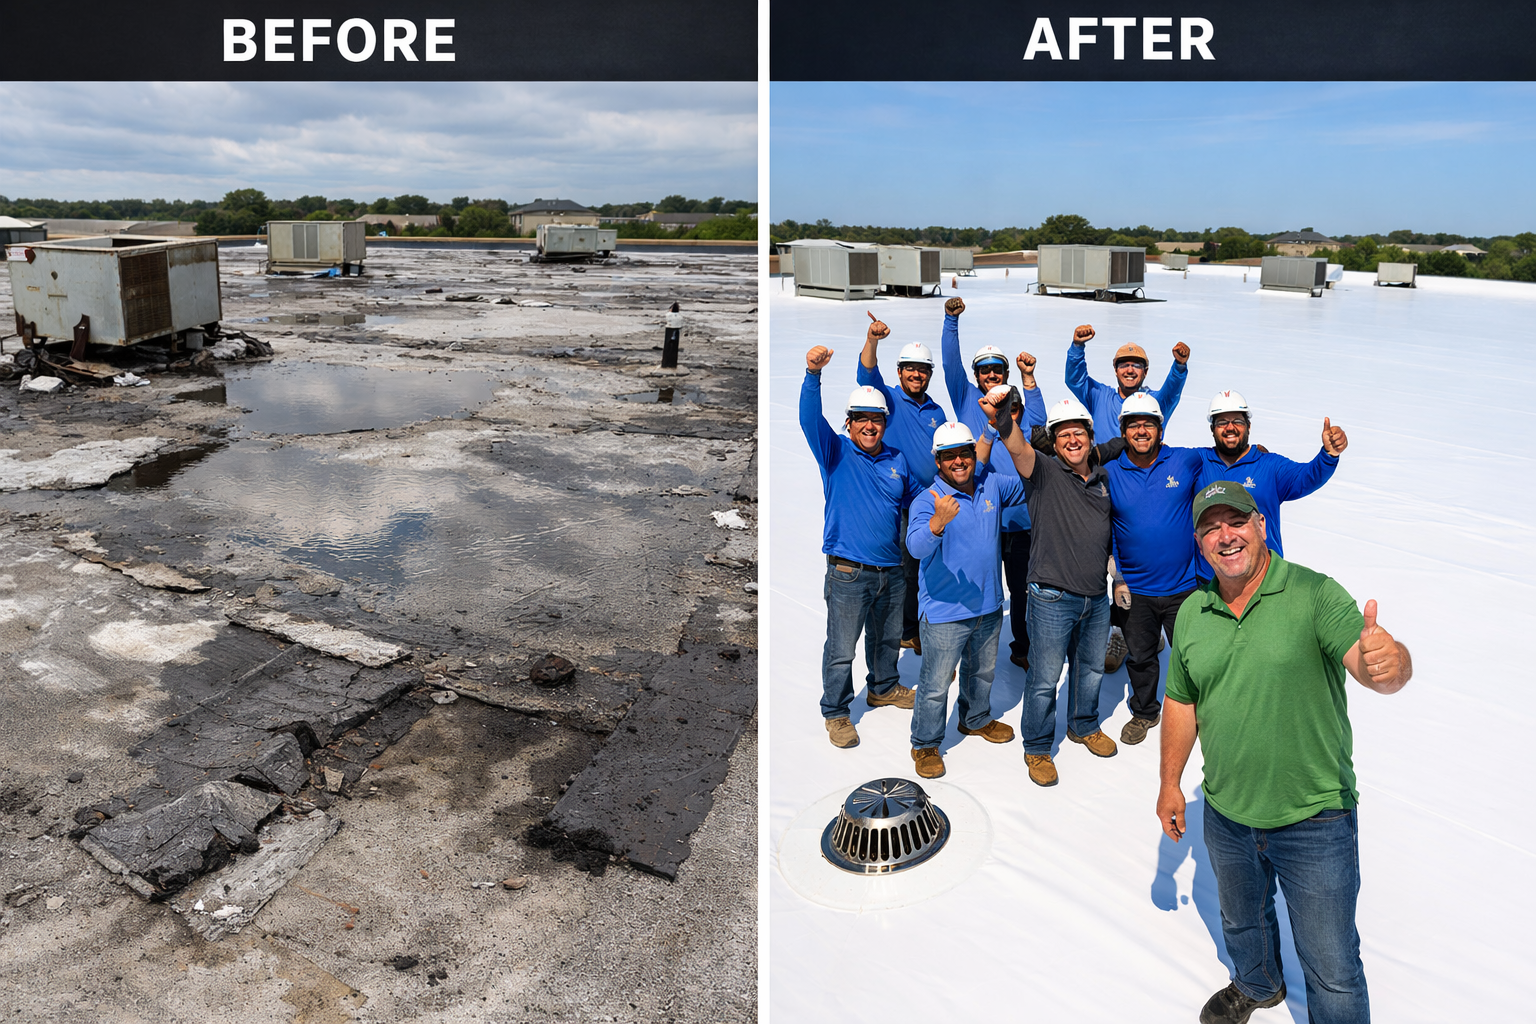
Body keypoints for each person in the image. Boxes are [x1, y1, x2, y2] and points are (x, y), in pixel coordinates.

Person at [1157, 482, 1411, 1024]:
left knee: (1332, 966)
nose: (1226, 537)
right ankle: (1257, 984)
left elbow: (1372, 669)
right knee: (1242, 921)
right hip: (1227, 812)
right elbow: (1181, 701)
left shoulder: (1313, 594)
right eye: (1211, 527)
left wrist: (1389, 664)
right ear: (1199, 541)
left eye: (1237, 522)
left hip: (1315, 816)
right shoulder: (1193, 613)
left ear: (1261, 525)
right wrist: (1170, 782)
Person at [979, 363, 1118, 787]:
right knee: (1043, 678)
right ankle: (1037, 748)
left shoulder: (1101, 478)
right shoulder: (1042, 472)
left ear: (1090, 439)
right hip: (1053, 597)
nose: (1072, 440)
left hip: (1096, 597)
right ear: (1054, 443)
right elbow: (1018, 447)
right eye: (1064, 434)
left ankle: (1083, 724)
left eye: (1079, 433)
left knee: (1091, 668)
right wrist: (1003, 419)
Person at [800, 345, 924, 749]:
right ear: (849, 423)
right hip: (848, 572)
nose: (870, 427)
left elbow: (917, 498)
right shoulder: (834, 451)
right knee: (841, 649)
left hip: (890, 569)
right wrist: (812, 375)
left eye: (877, 420)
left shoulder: (896, 460)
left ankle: (883, 686)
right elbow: (808, 419)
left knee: (887, 640)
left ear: (885, 424)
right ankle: (836, 711)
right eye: (862, 420)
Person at [904, 421, 1023, 778]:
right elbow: (915, 547)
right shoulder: (929, 501)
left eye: (964, 454)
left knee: (982, 671)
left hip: (988, 606)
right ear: (938, 461)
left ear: (974, 455)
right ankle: (925, 743)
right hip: (945, 613)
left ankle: (975, 719)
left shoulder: (992, 485)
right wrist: (937, 524)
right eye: (949, 456)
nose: (958, 461)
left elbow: (1032, 483)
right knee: (936, 684)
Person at [941, 297, 1047, 669]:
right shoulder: (967, 397)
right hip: (978, 516)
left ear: (1005, 373)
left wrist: (1029, 378)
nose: (990, 374)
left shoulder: (1015, 404)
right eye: (984, 369)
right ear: (977, 375)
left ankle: (1023, 647)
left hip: (1020, 520)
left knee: (1021, 591)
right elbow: (950, 364)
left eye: (996, 369)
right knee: (972, 587)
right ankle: (958, 652)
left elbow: (1039, 419)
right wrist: (951, 320)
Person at [1100, 393, 1206, 746]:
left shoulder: (1185, 461)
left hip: (1184, 586)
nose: (1141, 430)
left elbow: (1223, 459)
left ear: (1160, 429)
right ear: (1124, 431)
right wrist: (1117, 578)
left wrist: (1256, 457)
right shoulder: (1112, 472)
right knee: (1141, 656)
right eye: (1134, 424)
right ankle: (1145, 711)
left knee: (1194, 655)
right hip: (1135, 589)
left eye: (1149, 424)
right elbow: (1110, 528)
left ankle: (1204, 711)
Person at [856, 315, 949, 653]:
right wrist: (873, 340)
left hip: (931, 501)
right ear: (899, 372)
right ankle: (907, 629)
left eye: (922, 369)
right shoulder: (889, 401)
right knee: (905, 570)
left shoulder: (937, 410)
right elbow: (866, 373)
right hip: (901, 503)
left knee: (927, 568)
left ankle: (922, 621)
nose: (916, 374)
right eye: (910, 368)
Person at [1195, 390, 1348, 579]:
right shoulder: (1197, 462)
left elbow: (1307, 477)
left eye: (1238, 421)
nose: (1230, 428)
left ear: (1249, 426)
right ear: (1212, 429)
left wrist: (1328, 455)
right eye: (1222, 422)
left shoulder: (1270, 465)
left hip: (1264, 580)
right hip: (1210, 581)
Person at [1065, 324, 1190, 440]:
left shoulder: (1154, 402)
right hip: (1103, 464)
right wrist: (1077, 347)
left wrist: (1179, 365)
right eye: (1124, 365)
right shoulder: (1100, 397)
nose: (1130, 370)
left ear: (1145, 372)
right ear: (1115, 370)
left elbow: (1172, 392)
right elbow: (1075, 380)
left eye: (1136, 365)